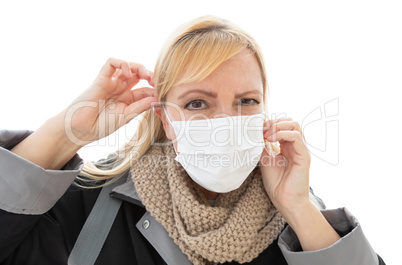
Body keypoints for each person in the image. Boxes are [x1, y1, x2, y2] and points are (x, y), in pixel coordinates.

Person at [0, 16, 385, 265]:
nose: (225, 121)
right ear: (166, 120)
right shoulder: (90, 203)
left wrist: (300, 208)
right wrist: (64, 134)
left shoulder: (298, 221)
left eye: (246, 101)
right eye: (198, 102)